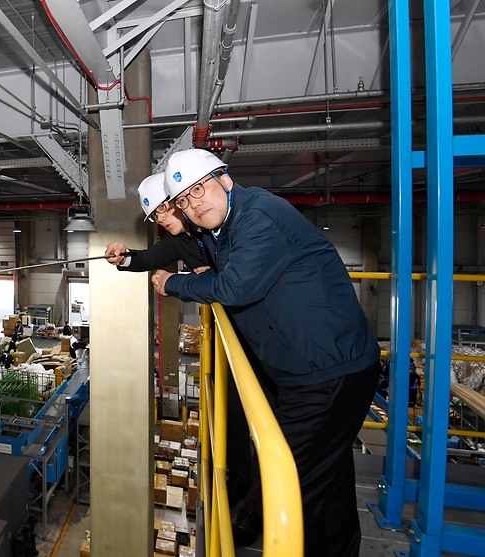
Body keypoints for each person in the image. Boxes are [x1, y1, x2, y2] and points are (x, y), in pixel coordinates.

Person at [151, 149, 380, 557]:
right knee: (330, 479)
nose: (195, 203)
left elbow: (236, 287)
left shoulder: (259, 216)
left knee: (290, 482)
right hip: (312, 371)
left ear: (224, 179)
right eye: (185, 200)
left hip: (328, 374)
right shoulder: (223, 229)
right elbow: (212, 266)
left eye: (199, 188)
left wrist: (174, 285)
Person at [106, 169, 255, 513]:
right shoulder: (181, 242)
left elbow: (237, 279)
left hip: (253, 337)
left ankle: (251, 497)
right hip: (229, 341)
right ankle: (237, 485)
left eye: (164, 209)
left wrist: (201, 278)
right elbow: (146, 258)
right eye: (156, 214)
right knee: (230, 416)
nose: (161, 218)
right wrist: (123, 256)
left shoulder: (220, 230)